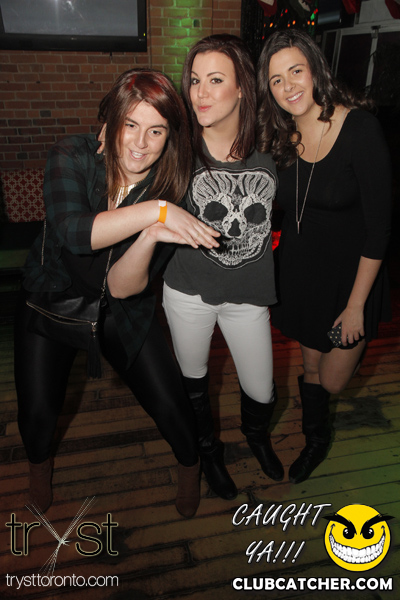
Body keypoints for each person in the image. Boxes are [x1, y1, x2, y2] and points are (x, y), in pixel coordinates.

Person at [14, 68, 220, 518]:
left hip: (120, 308)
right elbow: (73, 233)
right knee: (37, 412)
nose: (140, 143)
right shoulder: (72, 154)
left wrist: (152, 234)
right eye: (130, 124)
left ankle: (190, 465)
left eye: (156, 131)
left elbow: (121, 287)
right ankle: (38, 469)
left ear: (169, 137)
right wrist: (157, 212)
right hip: (52, 295)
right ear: (110, 122)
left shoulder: (172, 189)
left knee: (171, 404)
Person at [257, 29, 392, 484]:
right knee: (310, 364)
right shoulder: (280, 136)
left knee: (333, 378)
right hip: (299, 273)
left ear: (316, 69)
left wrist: (356, 307)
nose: (288, 86)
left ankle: (320, 426)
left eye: (296, 71)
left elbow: (379, 229)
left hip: (350, 281)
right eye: (276, 80)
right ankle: (314, 440)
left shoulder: (360, 129)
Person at [163, 34, 283, 502]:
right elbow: (131, 151)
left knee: (262, 389)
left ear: (242, 89)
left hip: (249, 295)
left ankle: (256, 436)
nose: (200, 92)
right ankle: (208, 451)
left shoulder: (274, 149)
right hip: (188, 292)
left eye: (215, 80)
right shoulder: (176, 148)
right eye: (195, 80)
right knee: (193, 384)